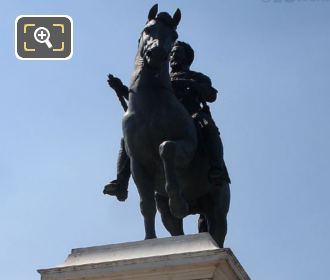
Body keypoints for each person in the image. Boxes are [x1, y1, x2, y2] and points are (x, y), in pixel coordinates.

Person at [104, 41, 230, 201]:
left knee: (207, 126)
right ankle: (122, 183)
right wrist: (121, 89)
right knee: (129, 139)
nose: (173, 55)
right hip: (162, 121)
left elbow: (211, 95)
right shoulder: (159, 79)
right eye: (172, 53)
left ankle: (216, 168)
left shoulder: (197, 77)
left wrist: (191, 84)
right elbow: (141, 100)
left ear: (187, 58)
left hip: (191, 116)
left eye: (178, 52)